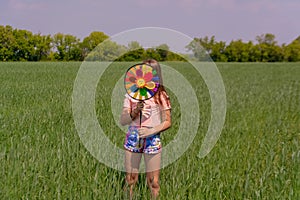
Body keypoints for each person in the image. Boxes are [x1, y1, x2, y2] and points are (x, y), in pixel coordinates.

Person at [120, 59, 172, 199]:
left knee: (153, 182)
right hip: (133, 137)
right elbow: (123, 120)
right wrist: (135, 111)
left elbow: (168, 122)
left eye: (150, 72)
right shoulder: (132, 94)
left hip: (152, 139)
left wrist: (151, 130)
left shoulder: (161, 95)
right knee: (131, 179)